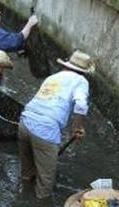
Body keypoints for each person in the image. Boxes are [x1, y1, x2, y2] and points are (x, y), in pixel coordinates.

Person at [17, 51, 93, 199]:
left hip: (25, 122)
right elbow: (81, 105)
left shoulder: (53, 77)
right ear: (83, 72)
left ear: (67, 65)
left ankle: (22, 195)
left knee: (27, 173)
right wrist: (77, 127)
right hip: (46, 129)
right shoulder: (81, 81)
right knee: (45, 183)